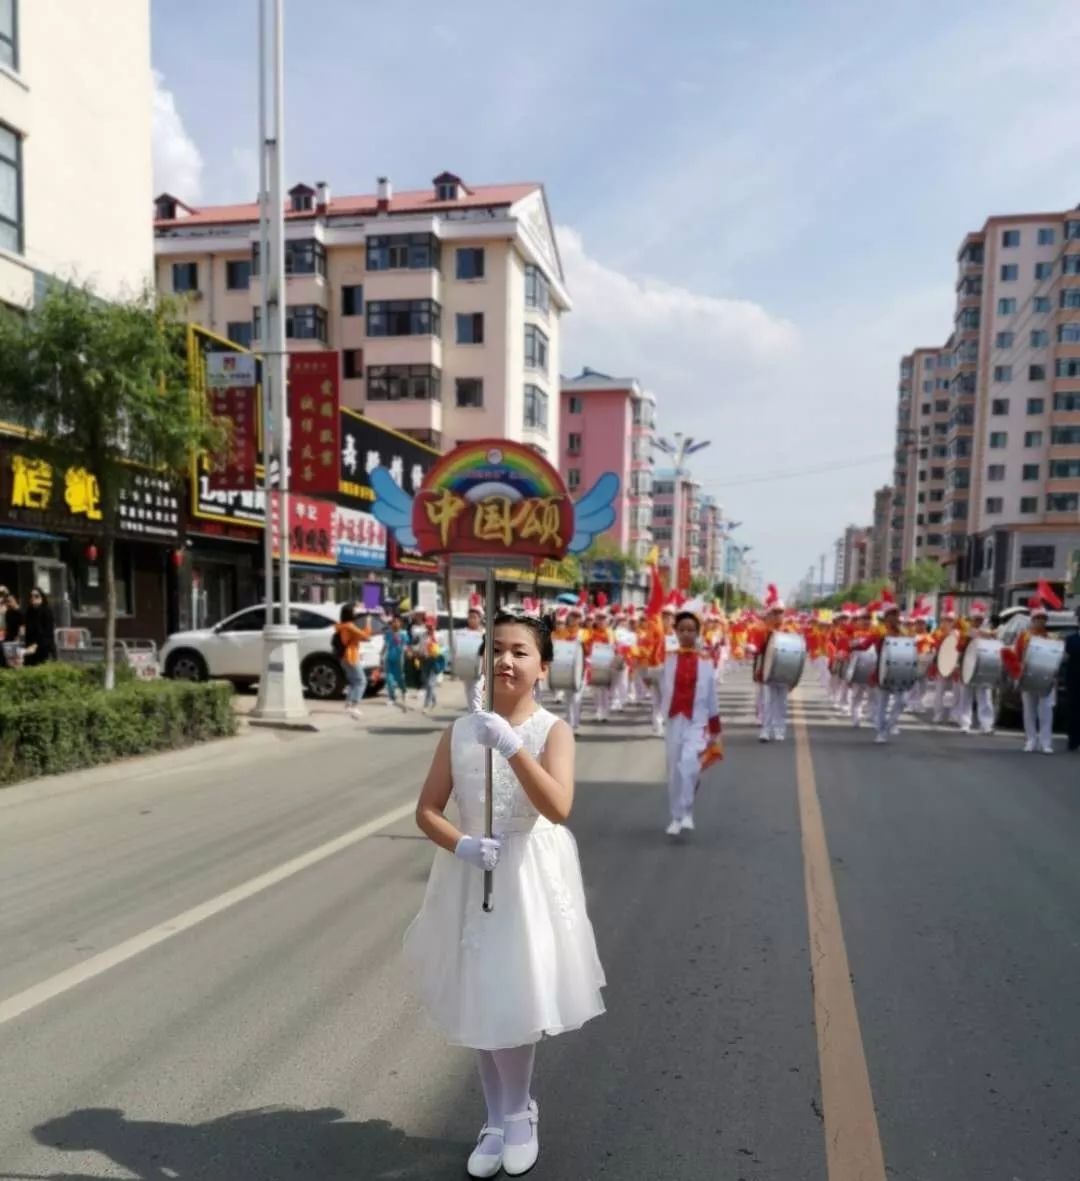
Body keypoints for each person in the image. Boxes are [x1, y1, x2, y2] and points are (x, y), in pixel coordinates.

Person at [403, 609, 605, 1179]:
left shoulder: (552, 731)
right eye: (494, 649)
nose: (504, 660)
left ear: (543, 666)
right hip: (472, 872)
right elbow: (425, 811)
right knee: (481, 994)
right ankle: (496, 1118)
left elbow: (558, 807)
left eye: (519, 651)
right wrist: (462, 844)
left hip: (528, 875)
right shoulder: (459, 732)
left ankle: (520, 1116)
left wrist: (513, 744)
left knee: (514, 994)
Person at [659, 607, 722, 835]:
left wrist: (715, 729)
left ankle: (687, 811)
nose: (686, 633)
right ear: (675, 632)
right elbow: (649, 676)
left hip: (697, 721)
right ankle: (676, 817)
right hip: (674, 720)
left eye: (691, 630)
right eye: (682, 629)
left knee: (689, 765)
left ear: (698, 633)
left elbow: (712, 696)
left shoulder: (706, 662)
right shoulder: (666, 658)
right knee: (675, 771)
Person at [1009, 599, 1056, 754]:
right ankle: (1030, 740)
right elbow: (1016, 656)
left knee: (1046, 710)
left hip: (1046, 678)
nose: (1041, 622)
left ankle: (1045, 743)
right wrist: (1018, 672)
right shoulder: (1024, 636)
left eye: (1043, 619)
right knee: (1029, 710)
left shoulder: (1052, 638)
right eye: (1038, 619)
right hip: (1028, 676)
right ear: (1033, 620)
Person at [954, 602, 995, 735]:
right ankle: (965, 724)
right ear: (972, 619)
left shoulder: (988, 631)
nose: (978, 621)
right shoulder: (966, 631)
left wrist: (989, 635)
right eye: (976, 619)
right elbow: (959, 648)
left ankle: (986, 725)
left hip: (983, 667)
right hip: (968, 665)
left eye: (980, 619)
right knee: (966, 696)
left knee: (984, 696)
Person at [333, 604, 369, 719]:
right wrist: (368, 623)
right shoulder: (349, 626)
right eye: (354, 611)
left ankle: (349, 705)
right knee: (361, 681)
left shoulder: (342, 626)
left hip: (345, 656)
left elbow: (361, 638)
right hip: (350, 656)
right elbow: (366, 636)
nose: (356, 613)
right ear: (350, 613)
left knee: (354, 681)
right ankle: (354, 705)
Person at [461, 601, 485, 711]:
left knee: (476, 691)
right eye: (470, 617)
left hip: (480, 668)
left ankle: (477, 715)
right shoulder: (463, 632)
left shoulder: (484, 633)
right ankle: (472, 715)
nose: (472, 619)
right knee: (469, 692)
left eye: (475, 617)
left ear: (480, 618)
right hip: (467, 667)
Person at [382, 615, 409, 710]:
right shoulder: (388, 633)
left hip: (399, 659)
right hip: (389, 658)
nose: (395, 623)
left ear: (400, 623)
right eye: (393, 621)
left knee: (400, 678)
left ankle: (404, 691)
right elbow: (385, 645)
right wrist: (381, 655)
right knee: (389, 679)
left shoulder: (403, 634)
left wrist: (406, 652)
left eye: (397, 621)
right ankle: (391, 697)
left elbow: (405, 646)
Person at [1064, 606, 1080, 753]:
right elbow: (1064, 660)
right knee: (1074, 710)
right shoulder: (1070, 640)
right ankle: (1073, 740)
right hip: (1074, 679)